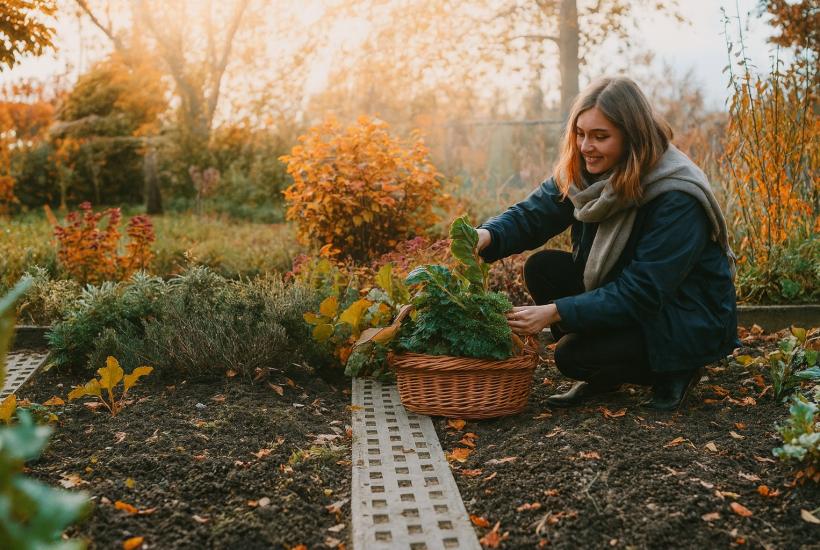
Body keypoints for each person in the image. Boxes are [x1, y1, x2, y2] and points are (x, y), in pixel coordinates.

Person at [476, 76, 739, 411]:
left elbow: (643, 291)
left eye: (600, 137)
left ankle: (676, 369)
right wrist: (485, 235)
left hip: (681, 316)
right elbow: (533, 214)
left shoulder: (676, 195)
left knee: (571, 356)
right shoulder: (588, 171)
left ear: (632, 137)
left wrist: (554, 312)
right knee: (542, 268)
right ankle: (607, 368)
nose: (586, 146)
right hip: (630, 296)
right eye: (580, 133)